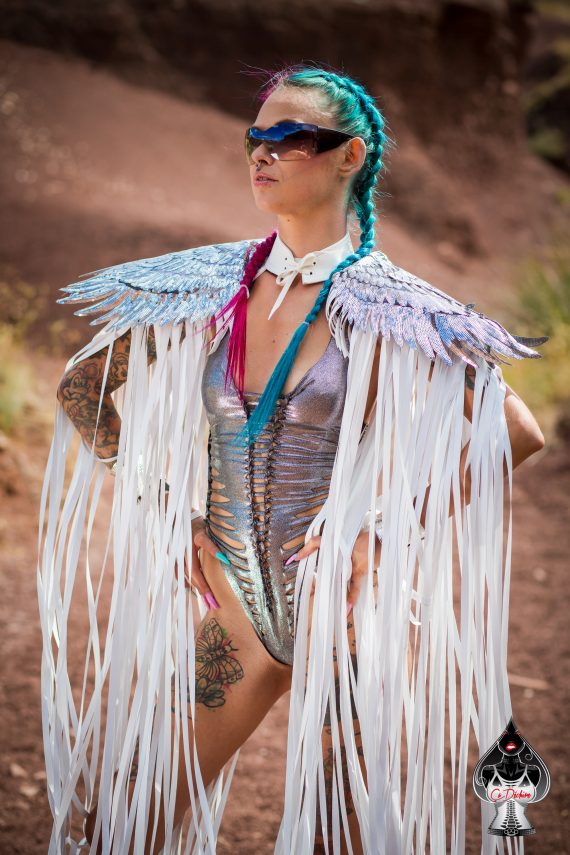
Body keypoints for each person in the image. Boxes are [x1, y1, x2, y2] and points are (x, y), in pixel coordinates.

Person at [38, 63, 547, 855]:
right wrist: (167, 506)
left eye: (291, 136)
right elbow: (83, 389)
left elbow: (516, 430)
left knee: (340, 840)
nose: (263, 152)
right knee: (123, 822)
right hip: (236, 614)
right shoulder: (211, 284)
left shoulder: (392, 308)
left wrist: (380, 528)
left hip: (343, 624)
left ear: (351, 156)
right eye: (256, 135)